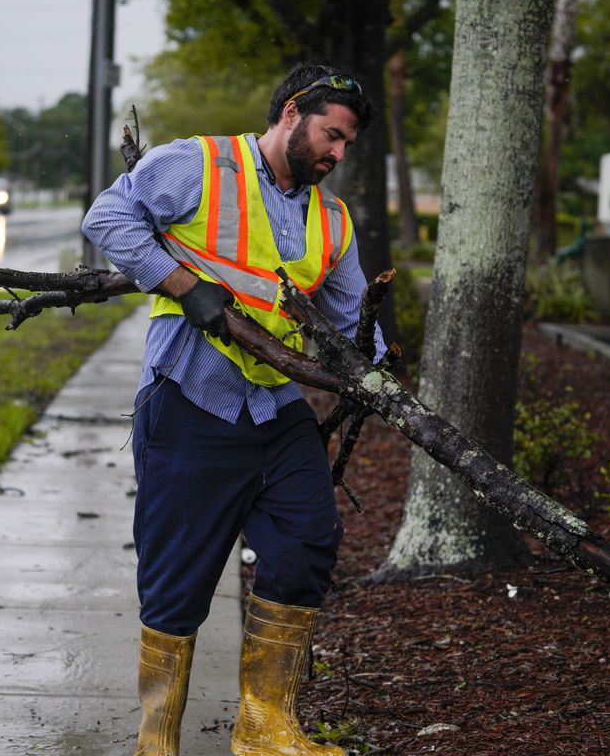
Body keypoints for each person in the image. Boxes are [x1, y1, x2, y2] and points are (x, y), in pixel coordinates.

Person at [81, 63, 383, 756]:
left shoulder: (331, 220)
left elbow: (351, 319)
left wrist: (382, 374)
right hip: (189, 396)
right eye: (332, 135)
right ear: (291, 113)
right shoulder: (200, 164)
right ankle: (157, 736)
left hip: (274, 408)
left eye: (347, 144)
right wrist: (183, 284)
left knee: (308, 540)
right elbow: (107, 218)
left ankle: (265, 729)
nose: (338, 153)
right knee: (176, 578)